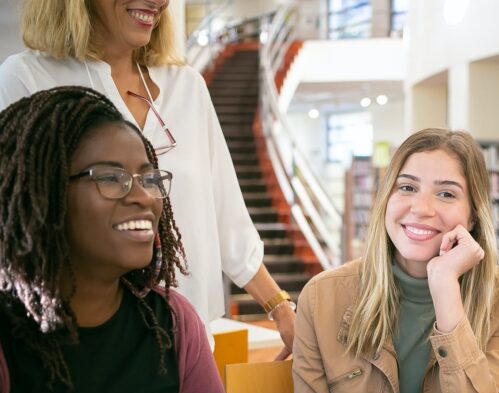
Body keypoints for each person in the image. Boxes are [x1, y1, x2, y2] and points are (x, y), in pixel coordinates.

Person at [0, 0, 296, 356]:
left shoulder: (187, 87)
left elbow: (226, 217)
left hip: (187, 345)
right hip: (76, 347)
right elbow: (16, 228)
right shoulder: (29, 78)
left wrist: (280, 308)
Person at [0, 86, 229, 393]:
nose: (142, 195)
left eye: (150, 177)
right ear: (44, 192)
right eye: (110, 177)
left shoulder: (174, 322)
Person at [270, 128, 499, 393]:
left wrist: (445, 291)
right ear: (385, 201)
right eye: (407, 187)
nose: (421, 208)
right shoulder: (323, 296)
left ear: (472, 216)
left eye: (446, 193)